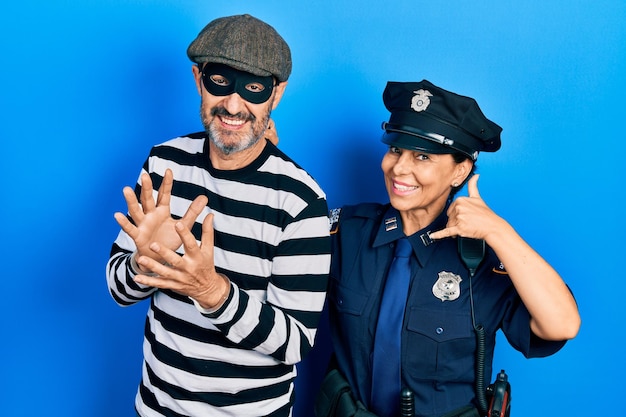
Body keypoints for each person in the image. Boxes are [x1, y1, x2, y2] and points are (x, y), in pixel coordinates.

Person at [106, 14, 331, 417]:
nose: (233, 104)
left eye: (254, 89)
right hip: (157, 407)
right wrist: (145, 261)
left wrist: (213, 293)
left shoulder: (301, 202)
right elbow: (119, 291)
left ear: (276, 95)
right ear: (198, 80)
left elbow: (295, 342)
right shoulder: (164, 165)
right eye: (220, 83)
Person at [315, 80, 580, 417]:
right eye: (395, 149)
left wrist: (500, 232)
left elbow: (563, 324)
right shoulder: (345, 231)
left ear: (460, 171)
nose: (399, 168)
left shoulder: (482, 259)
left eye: (422, 156)